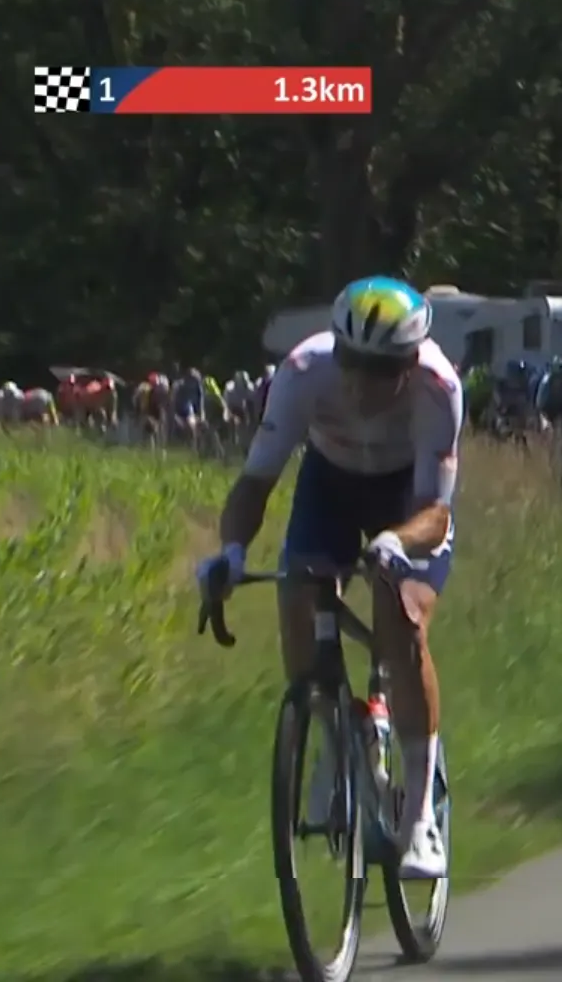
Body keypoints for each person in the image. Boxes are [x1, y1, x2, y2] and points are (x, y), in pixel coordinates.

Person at [194, 275, 461, 879]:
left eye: (380, 368)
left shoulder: (438, 388)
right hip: (331, 483)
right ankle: (333, 743)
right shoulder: (302, 371)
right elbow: (256, 481)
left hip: (408, 501)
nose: (362, 382)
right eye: (352, 362)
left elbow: (436, 513)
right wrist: (231, 553)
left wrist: (395, 542)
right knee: (298, 590)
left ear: (410, 361)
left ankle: (419, 820)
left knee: (404, 619)